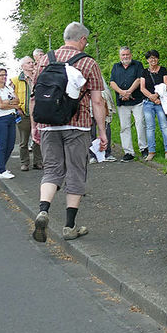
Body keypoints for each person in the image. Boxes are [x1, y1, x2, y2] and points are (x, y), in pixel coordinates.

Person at [30, 22, 107, 243]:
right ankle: (69, 226)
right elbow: (98, 101)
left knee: (52, 170)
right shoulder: (88, 62)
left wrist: (36, 125)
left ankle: (43, 211)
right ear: (82, 39)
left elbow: (35, 95)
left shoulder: (44, 59)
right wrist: (102, 132)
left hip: (48, 125)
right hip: (78, 125)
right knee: (76, 171)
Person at [109, 46, 148, 161]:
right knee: (124, 127)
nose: (125, 57)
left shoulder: (138, 65)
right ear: (120, 56)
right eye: (123, 55)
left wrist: (129, 91)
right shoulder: (116, 67)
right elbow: (112, 82)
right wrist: (122, 93)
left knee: (140, 123)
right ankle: (128, 152)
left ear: (131, 55)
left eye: (127, 54)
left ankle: (144, 148)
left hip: (137, 100)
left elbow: (139, 79)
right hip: (122, 102)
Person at [139, 49, 167, 161]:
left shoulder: (162, 70)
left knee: (164, 126)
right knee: (150, 127)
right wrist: (152, 98)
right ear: (147, 60)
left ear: (157, 59)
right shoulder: (144, 72)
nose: (153, 60)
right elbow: (142, 88)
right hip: (148, 103)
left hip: (161, 102)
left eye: (155, 57)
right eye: (150, 58)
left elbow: (166, 85)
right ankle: (151, 151)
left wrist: (157, 95)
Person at [11, 56, 43, 171]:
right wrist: (17, 109)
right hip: (23, 114)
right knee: (24, 141)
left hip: (38, 114)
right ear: (22, 66)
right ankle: (24, 163)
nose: (32, 64)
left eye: (32, 62)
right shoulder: (15, 80)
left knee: (37, 139)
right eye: (28, 63)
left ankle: (38, 162)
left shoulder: (39, 78)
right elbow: (11, 97)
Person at [0, 67, 21, 179]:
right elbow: (0, 105)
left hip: (11, 117)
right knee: (2, 145)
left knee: (11, 144)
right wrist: (10, 103)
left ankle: (0, 167)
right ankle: (2, 170)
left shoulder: (8, 89)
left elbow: (17, 100)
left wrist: (8, 102)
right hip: (1, 119)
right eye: (1, 75)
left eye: (5, 75)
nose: (4, 77)